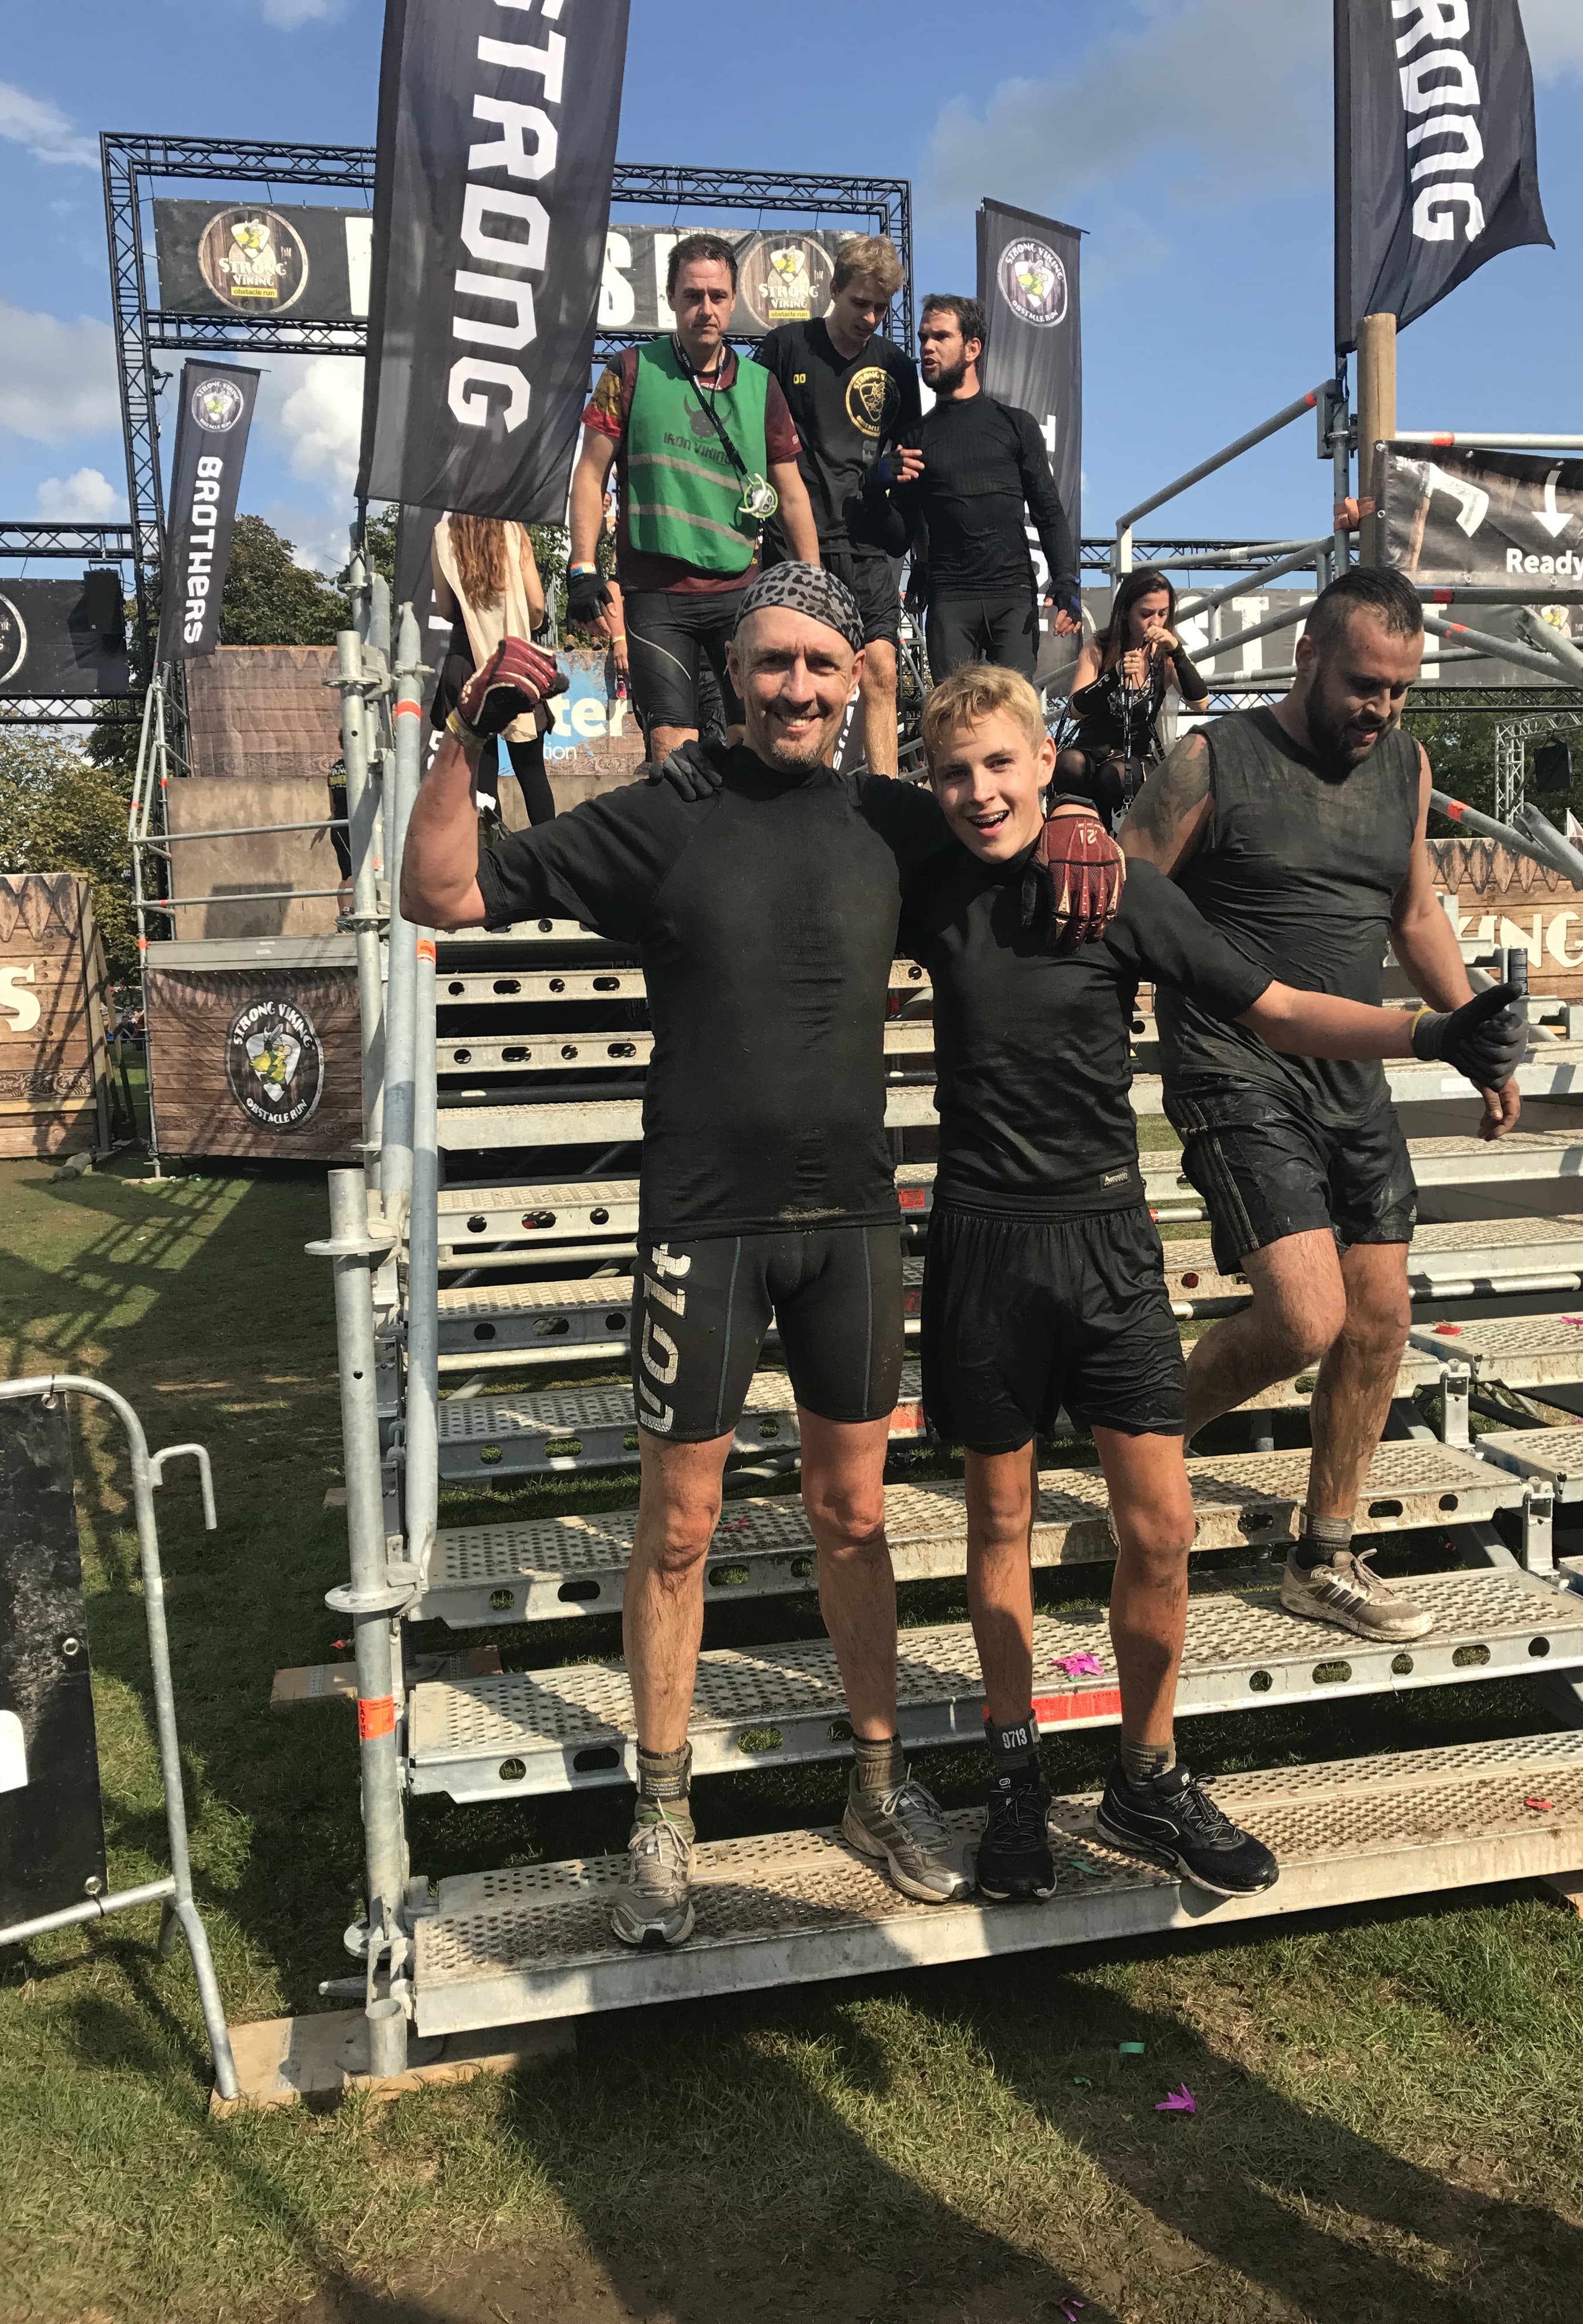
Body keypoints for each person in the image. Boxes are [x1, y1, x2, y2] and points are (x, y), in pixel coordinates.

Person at [398, 567, 1124, 1949]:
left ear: (855, 681)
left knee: (854, 1518)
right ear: (733, 674)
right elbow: (438, 889)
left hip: (849, 1224)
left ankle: (878, 1788)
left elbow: (1015, 815)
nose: (798, 687)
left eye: (821, 665)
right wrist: (466, 735)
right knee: (679, 1530)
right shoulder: (665, 815)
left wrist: (1081, 810)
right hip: (706, 1223)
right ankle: (662, 1816)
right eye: (774, 663)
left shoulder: (892, 820)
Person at [901, 662, 1526, 1900]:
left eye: (1002, 765)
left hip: (1106, 1243)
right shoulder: (921, 876)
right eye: (954, 773)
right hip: (982, 1244)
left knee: (1162, 1529)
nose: (978, 792)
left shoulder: (1116, 886)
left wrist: (1431, 1032)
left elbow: (1278, 1009)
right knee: (999, 1524)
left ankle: (1144, 1776)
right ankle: (1016, 1777)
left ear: (1043, 761)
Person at [1117, 564, 1525, 1647]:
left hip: (1350, 1075)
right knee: (1305, 1318)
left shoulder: (1405, 765)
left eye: (1400, 688)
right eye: (1363, 683)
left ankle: (1323, 1554)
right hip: (1233, 1064)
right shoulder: (1211, 759)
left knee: (1379, 1319)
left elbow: (1414, 912)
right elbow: (1120, 886)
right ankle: (1133, 1447)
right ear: (1306, 655)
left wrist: (1474, 1038)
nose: (1380, 707)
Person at [564, 233, 820, 766]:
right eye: (693, 296)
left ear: (734, 300)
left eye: (718, 296)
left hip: (738, 589)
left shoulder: (762, 386)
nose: (706, 309)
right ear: (671, 299)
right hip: (655, 590)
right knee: (672, 750)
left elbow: (792, 496)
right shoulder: (629, 372)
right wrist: (582, 568)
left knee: (755, 744)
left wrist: (814, 587)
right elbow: (590, 473)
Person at [756, 234, 922, 775]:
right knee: (813, 676)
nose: (870, 318)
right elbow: (749, 438)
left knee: (882, 670)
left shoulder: (897, 367)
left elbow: (912, 462)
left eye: (882, 308)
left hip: (868, 544)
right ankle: (816, 792)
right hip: (797, 540)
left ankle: (886, 793)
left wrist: (894, 497)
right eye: (860, 303)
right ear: (833, 289)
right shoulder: (785, 348)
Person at [872, 293, 1081, 682]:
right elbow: (897, 540)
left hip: (1013, 597)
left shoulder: (1017, 425)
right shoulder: (915, 436)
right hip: (950, 598)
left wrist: (1066, 580)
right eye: (923, 338)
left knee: (1013, 714)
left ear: (972, 348)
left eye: (941, 337)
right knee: (954, 717)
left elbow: (1049, 512)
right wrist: (875, 484)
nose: (927, 347)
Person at [431, 514, 559, 827]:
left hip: (467, 661)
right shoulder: (513, 529)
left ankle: (490, 854)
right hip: (515, 659)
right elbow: (537, 606)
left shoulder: (443, 533)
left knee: (481, 776)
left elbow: (446, 609)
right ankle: (549, 853)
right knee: (531, 771)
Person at [1058, 565, 1210, 814]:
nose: (1155, 623)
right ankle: (1074, 830)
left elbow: (1201, 703)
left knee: (1114, 775)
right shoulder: (1099, 647)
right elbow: (1075, 710)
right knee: (1068, 764)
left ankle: (1111, 835)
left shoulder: (1166, 657)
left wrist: (1177, 651)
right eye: (1146, 614)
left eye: (1163, 614)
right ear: (1126, 612)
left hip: (1134, 759)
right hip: (1090, 750)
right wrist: (1113, 676)